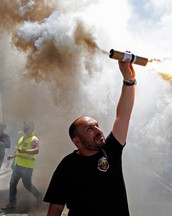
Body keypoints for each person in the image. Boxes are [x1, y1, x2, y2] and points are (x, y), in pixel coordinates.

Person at [44, 59, 136, 216]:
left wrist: (128, 79)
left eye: (97, 125)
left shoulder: (110, 150)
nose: (98, 130)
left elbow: (123, 116)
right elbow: (56, 207)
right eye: (89, 129)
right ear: (77, 141)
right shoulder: (67, 165)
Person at [1, 121, 42, 210]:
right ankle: (12, 204)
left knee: (27, 185)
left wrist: (24, 151)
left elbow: (36, 150)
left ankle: (38, 195)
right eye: (25, 128)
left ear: (31, 129)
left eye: (27, 128)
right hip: (17, 166)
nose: (25, 129)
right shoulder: (21, 138)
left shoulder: (34, 139)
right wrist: (12, 156)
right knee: (12, 184)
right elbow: (18, 151)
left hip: (27, 167)